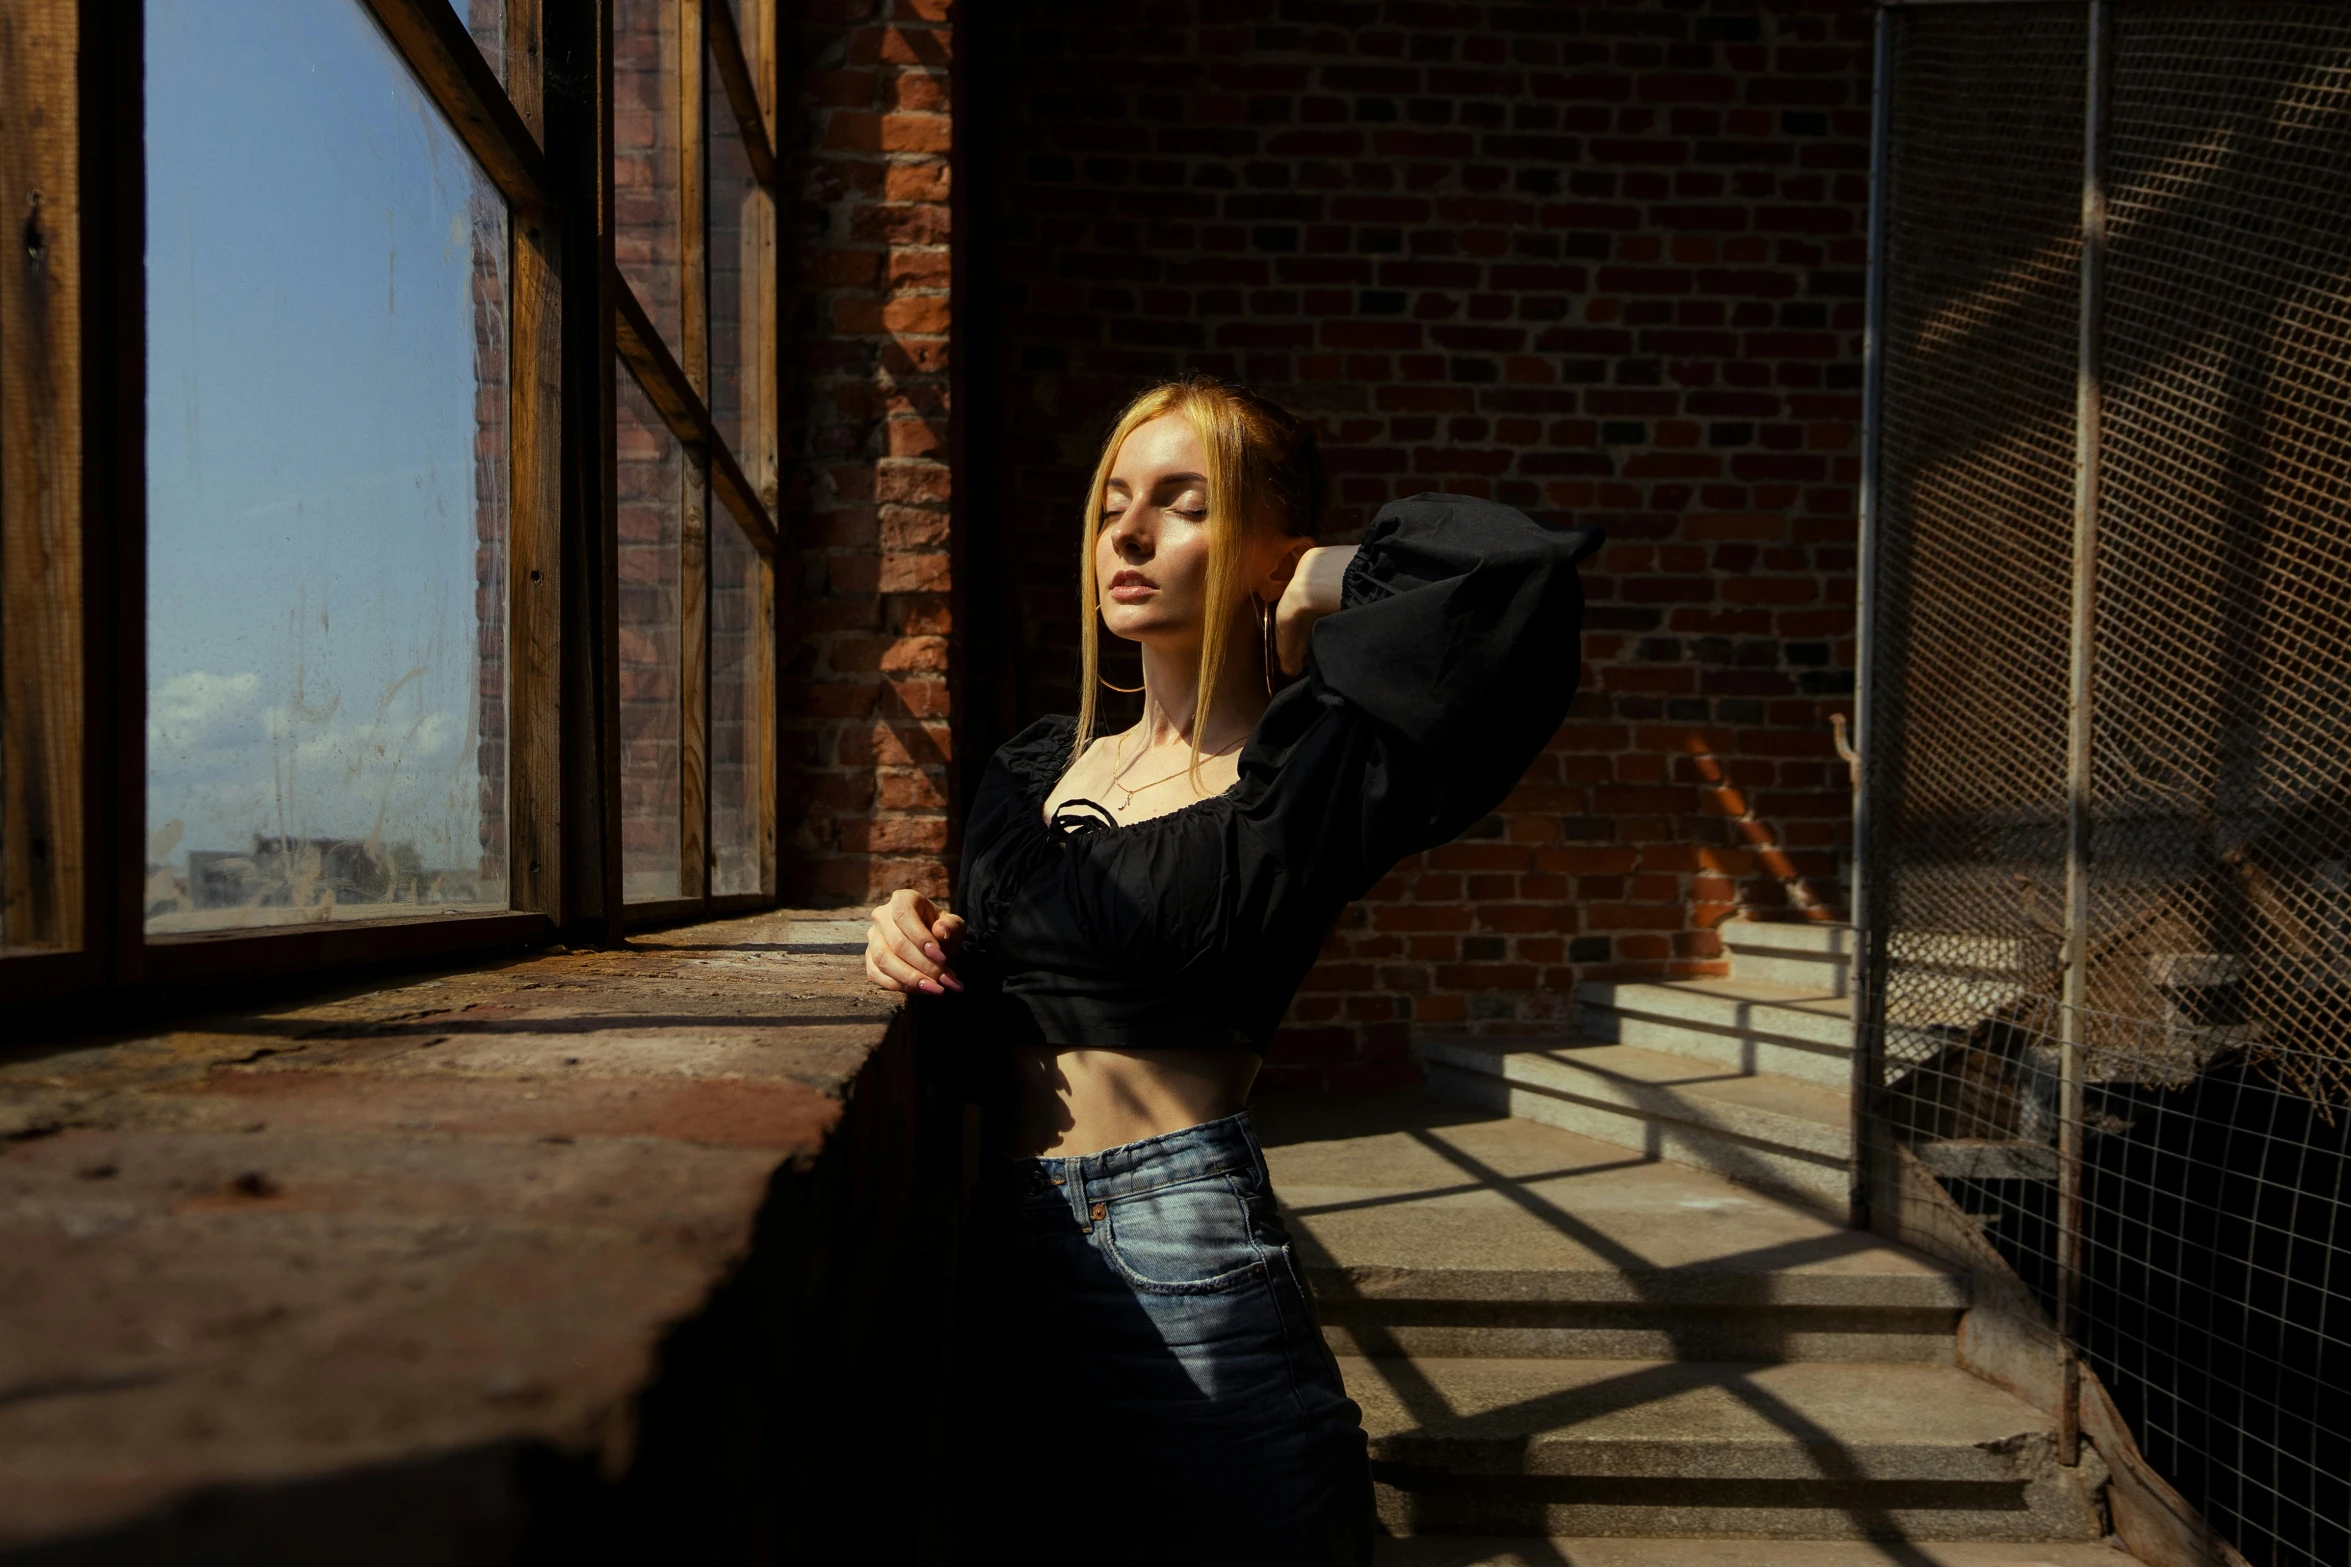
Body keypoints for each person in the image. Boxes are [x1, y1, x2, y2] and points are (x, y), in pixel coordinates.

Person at [864, 376, 1599, 1563]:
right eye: (1113, 504)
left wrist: (1303, 580)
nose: (1131, 534)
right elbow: (1007, 987)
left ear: (1264, 543)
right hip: (997, 1238)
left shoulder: (1305, 776)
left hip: (1176, 1239)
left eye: (1182, 504)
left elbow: (1512, 576)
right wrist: (910, 926)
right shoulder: (1030, 771)